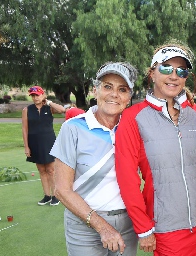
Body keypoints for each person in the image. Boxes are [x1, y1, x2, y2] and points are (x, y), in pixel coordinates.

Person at [115, 41, 196, 255]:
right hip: (166, 228)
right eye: (166, 68)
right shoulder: (133, 118)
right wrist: (143, 227)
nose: (174, 75)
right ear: (152, 73)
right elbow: (127, 178)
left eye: (181, 70)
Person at [50, 62, 139, 255]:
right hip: (84, 224)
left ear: (129, 97)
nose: (114, 94)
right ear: (95, 90)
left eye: (122, 89)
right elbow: (61, 189)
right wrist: (103, 227)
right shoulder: (73, 128)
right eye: (107, 86)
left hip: (127, 224)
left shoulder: (134, 128)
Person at [22, 85, 66, 206]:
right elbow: (25, 129)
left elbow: (62, 110)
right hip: (34, 142)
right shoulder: (27, 110)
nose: (35, 97)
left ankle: (55, 196)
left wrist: (50, 102)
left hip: (49, 141)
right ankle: (47, 196)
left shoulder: (49, 107)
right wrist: (26, 146)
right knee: (41, 170)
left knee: (51, 170)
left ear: (43, 95)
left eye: (37, 95)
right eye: (33, 95)